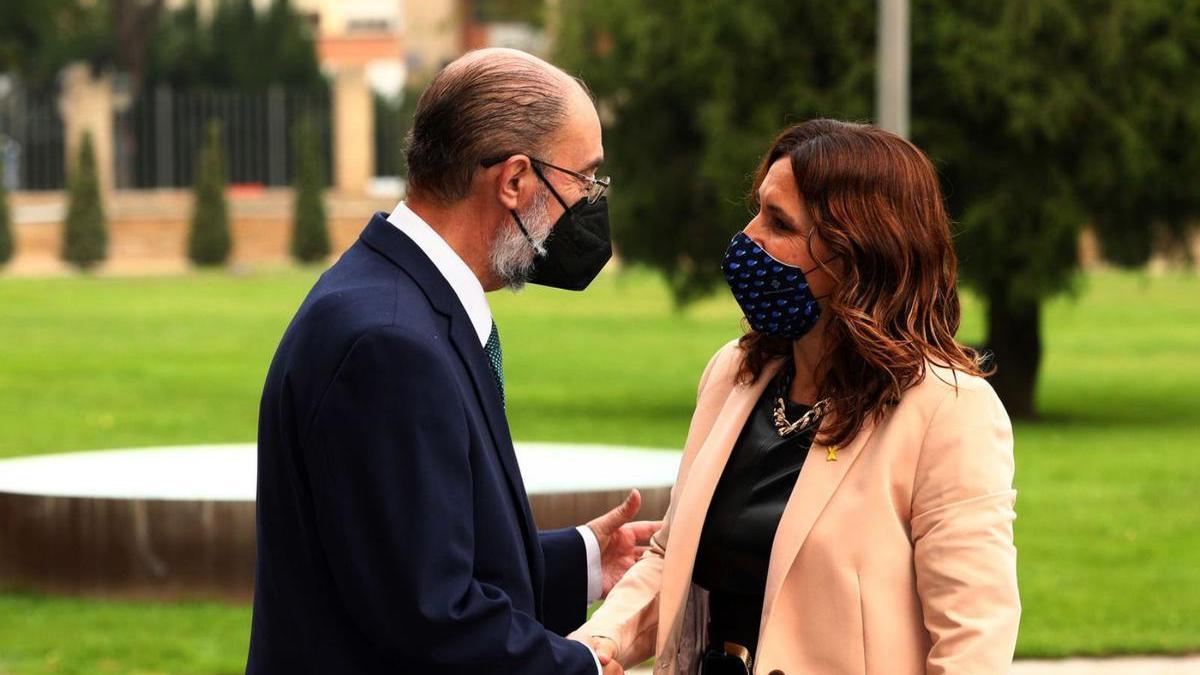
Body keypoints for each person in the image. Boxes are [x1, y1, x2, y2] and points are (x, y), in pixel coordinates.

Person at [246, 48, 657, 674]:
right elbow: (431, 620)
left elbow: (404, 559)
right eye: (587, 178)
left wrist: (585, 559)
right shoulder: (389, 345)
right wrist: (590, 665)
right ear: (516, 180)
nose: (593, 202)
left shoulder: (400, 300)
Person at [573, 119, 1021, 674]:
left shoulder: (948, 410)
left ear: (857, 253)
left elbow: (972, 641)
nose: (748, 237)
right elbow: (673, 558)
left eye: (779, 222)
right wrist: (595, 645)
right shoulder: (734, 372)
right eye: (757, 209)